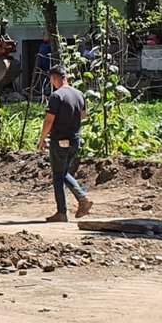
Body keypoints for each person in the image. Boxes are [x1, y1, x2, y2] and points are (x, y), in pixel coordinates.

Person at [37, 65, 94, 223]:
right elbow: (83, 115)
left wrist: (42, 139)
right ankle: (80, 200)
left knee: (58, 175)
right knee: (63, 173)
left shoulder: (57, 96)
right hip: (75, 140)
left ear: (55, 79)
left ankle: (65, 210)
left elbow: (49, 120)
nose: (52, 84)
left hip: (59, 140)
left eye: (52, 81)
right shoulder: (79, 94)